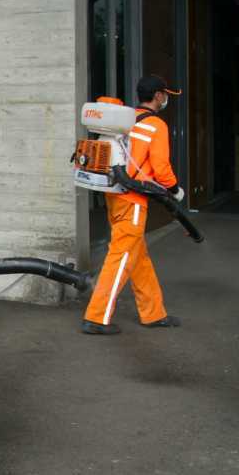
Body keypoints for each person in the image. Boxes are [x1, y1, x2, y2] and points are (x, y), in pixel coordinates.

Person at [81, 74, 185, 335]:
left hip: (114, 194)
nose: (166, 100)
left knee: (138, 256)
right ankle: (96, 317)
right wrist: (175, 190)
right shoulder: (156, 125)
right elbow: (161, 169)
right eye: (167, 95)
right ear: (159, 95)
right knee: (122, 256)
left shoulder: (126, 121)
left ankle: (153, 313)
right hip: (134, 199)